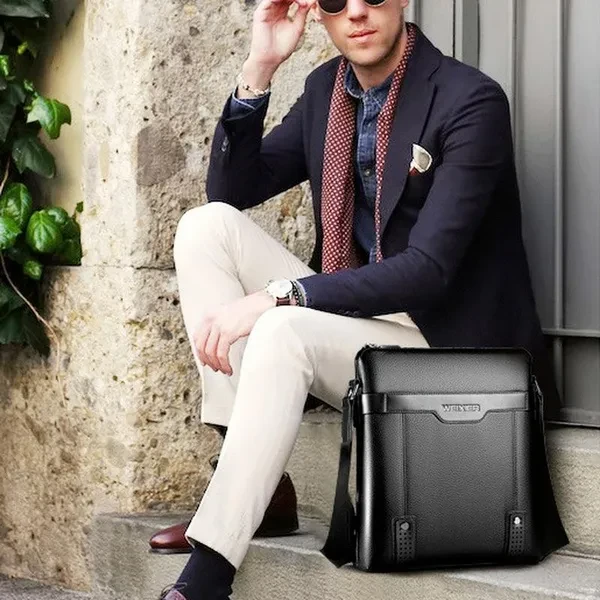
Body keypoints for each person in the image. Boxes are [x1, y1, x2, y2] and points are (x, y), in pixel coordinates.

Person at [157, 0, 562, 598]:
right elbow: (231, 190)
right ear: (316, 13)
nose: (356, 13)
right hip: (365, 325)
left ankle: (209, 573)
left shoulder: (470, 99)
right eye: (333, 1)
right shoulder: (327, 90)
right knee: (204, 226)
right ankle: (256, 490)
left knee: (283, 326)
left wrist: (284, 295)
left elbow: (428, 270)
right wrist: (259, 68)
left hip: (447, 348)